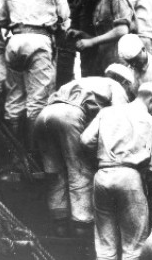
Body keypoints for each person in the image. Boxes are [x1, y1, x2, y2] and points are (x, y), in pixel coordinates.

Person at [82, 81, 152, 260]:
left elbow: (84, 140)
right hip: (130, 177)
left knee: (104, 240)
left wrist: (100, 160)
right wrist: (149, 183)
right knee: (134, 241)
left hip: (102, 175)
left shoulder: (107, 112)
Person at [34, 67, 130, 236]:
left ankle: (60, 224)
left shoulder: (84, 82)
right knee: (79, 170)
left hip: (44, 115)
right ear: (125, 82)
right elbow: (118, 119)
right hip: (69, 115)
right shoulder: (116, 86)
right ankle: (81, 225)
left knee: (55, 173)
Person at [0, 0, 69, 132]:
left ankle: (12, 148)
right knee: (38, 101)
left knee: (14, 97)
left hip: (15, 41)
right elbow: (64, 16)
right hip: (39, 42)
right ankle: (34, 153)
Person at [70, 0, 133, 78]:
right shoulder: (95, 1)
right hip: (102, 61)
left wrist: (91, 42)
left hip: (117, 62)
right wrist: (83, 34)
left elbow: (121, 30)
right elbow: (103, 35)